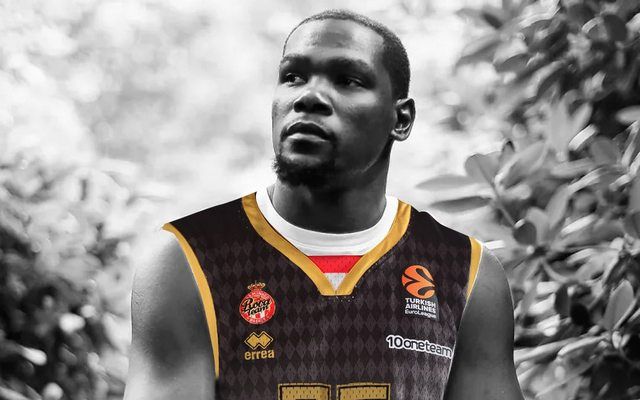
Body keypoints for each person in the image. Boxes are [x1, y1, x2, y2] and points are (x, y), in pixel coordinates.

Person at [123, 9, 523, 400]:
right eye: (293, 77)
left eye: (348, 80)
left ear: (400, 119)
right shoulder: (188, 261)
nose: (309, 96)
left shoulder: (466, 273)